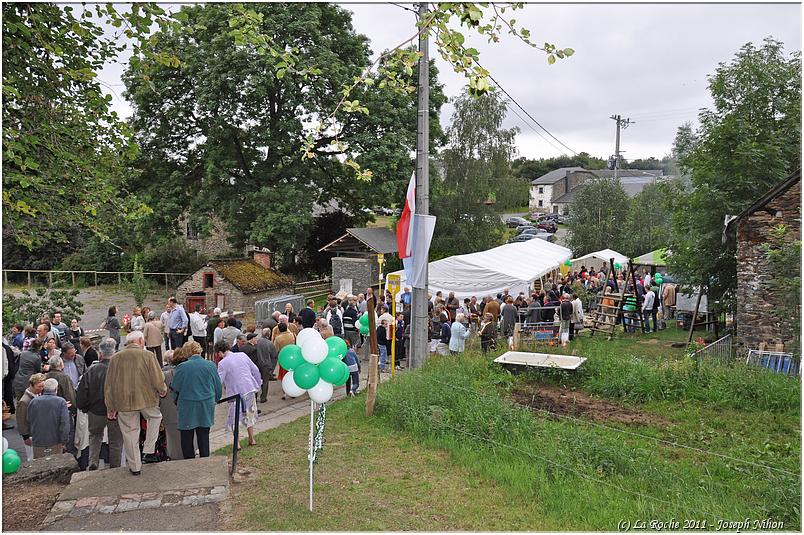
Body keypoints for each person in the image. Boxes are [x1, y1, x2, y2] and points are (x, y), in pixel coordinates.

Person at [104, 331, 167, 476]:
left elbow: (109, 385)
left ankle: (135, 466)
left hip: (123, 401)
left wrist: (110, 406)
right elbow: (158, 377)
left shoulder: (115, 358)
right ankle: (149, 449)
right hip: (146, 399)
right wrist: (162, 390)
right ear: (139, 341)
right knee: (155, 418)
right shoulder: (148, 356)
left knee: (130, 433)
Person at [76, 338, 123, 471]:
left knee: (95, 437)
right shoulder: (119, 370)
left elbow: (82, 392)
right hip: (115, 411)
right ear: (114, 353)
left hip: (95, 411)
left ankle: (93, 461)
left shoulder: (92, 370)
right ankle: (115, 466)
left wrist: (85, 408)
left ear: (100, 353)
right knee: (116, 441)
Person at [170, 341, 221, 459]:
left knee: (186, 438)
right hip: (206, 403)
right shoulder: (210, 365)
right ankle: (205, 460)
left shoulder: (182, 367)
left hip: (187, 405)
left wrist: (176, 401)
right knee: (204, 436)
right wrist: (214, 400)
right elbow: (218, 387)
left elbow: (175, 387)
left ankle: (190, 463)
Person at [214, 340, 261, 448]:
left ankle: (237, 443)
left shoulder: (223, 363)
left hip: (235, 393)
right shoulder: (242, 355)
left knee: (235, 418)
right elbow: (255, 370)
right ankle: (251, 438)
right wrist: (258, 383)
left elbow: (219, 381)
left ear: (220, 352)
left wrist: (215, 394)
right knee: (249, 414)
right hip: (249, 388)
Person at [27, 378, 70, 459]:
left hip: (38, 441)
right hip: (55, 442)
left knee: (39, 467)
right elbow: (64, 424)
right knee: (55, 466)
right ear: (56, 389)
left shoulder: (34, 401)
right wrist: (64, 441)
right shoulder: (61, 402)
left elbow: (29, 419)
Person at [16, 373, 46, 461]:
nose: (41, 389)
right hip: (30, 435)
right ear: (31, 385)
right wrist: (25, 437)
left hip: (36, 433)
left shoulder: (37, 395)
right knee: (31, 457)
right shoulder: (24, 401)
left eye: (42, 386)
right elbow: (21, 420)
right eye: (39, 386)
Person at [254, 329, 277, 403]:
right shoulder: (270, 344)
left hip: (257, 364)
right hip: (266, 365)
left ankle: (255, 396)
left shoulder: (256, 341)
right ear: (269, 334)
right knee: (265, 382)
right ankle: (263, 397)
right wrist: (272, 368)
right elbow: (274, 356)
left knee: (256, 381)